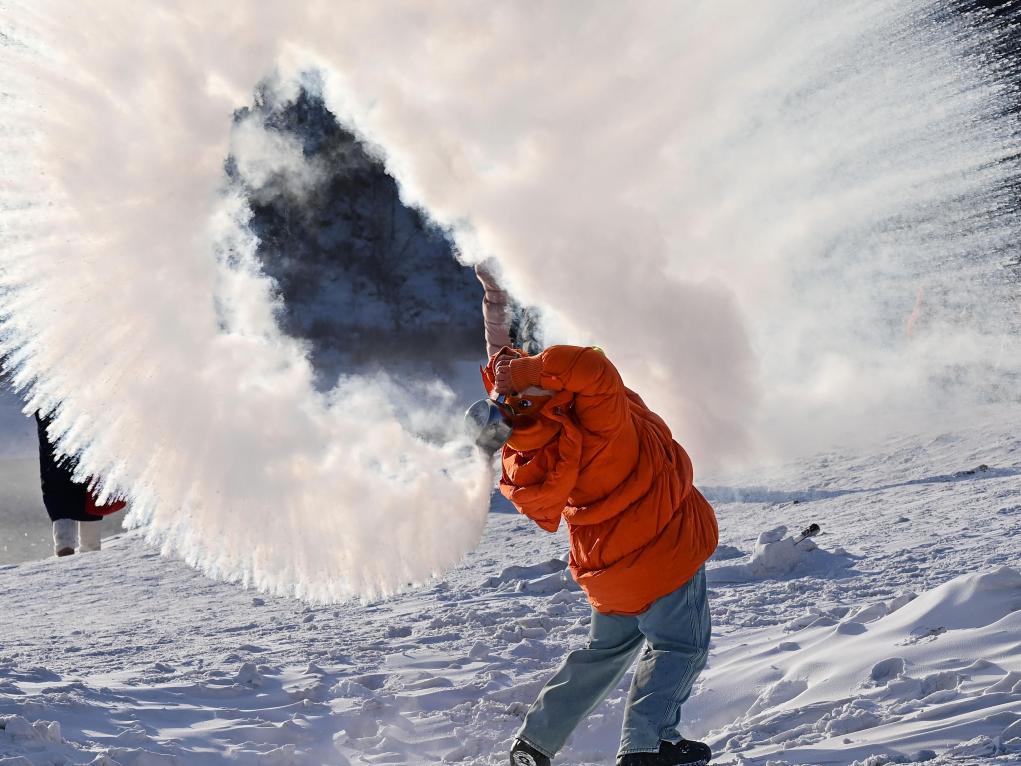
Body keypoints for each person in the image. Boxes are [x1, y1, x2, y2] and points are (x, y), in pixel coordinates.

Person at [478, 345, 718, 766]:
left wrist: (509, 379)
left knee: (601, 654)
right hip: (663, 554)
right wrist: (528, 370)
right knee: (681, 646)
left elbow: (531, 400)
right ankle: (649, 745)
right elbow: (591, 367)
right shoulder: (600, 423)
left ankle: (534, 742)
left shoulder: (524, 449)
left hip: (606, 569)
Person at [36, 412, 124, 556]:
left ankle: (66, 548)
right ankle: (88, 551)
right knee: (86, 488)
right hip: (83, 426)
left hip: (60, 425)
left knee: (60, 489)